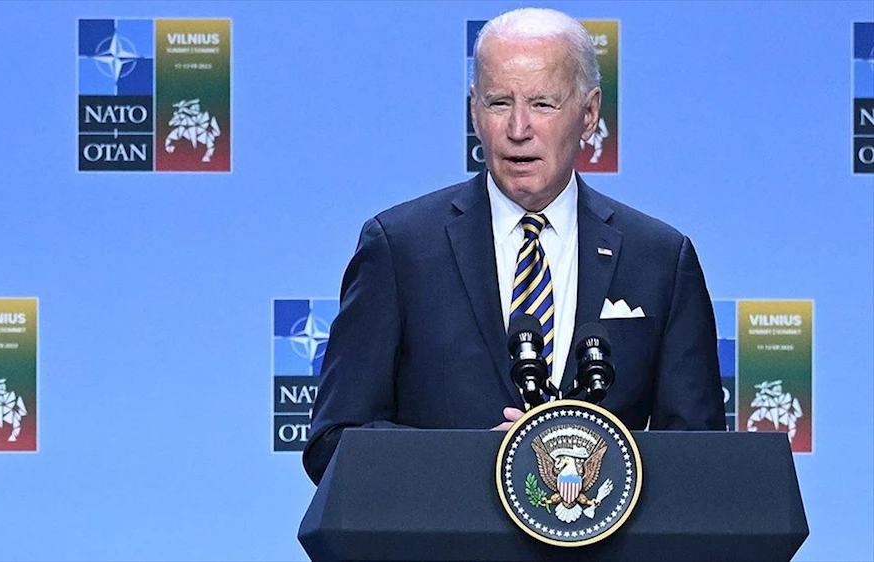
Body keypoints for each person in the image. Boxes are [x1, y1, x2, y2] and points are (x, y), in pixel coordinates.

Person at [303, 7, 725, 485]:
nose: (518, 128)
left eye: (543, 104)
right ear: (474, 112)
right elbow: (333, 443)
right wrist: (479, 464)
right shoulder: (400, 249)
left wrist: (594, 466)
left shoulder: (660, 259)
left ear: (589, 115)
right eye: (499, 102)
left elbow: (702, 461)